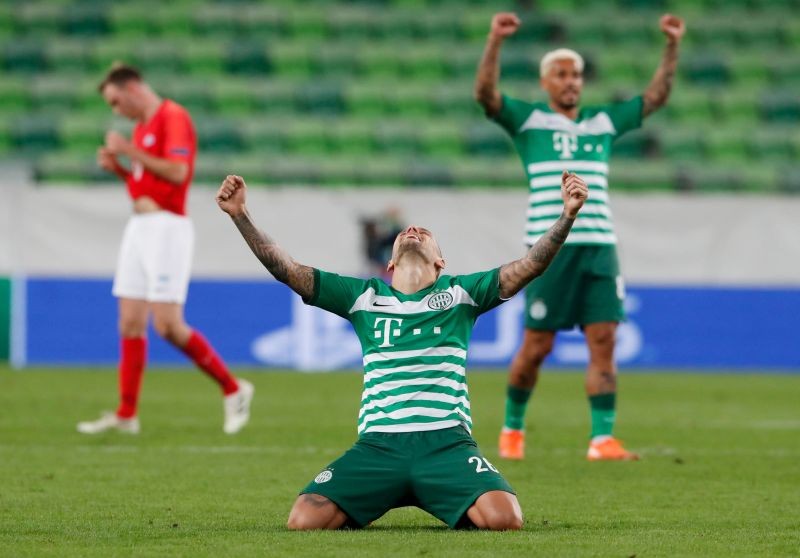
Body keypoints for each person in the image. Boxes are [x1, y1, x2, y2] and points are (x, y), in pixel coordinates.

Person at [215, 171, 588, 530]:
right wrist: (241, 216)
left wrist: (566, 215)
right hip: (378, 446)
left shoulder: (462, 294)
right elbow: (288, 270)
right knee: (304, 519)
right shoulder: (363, 298)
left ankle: (436, 494)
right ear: (390, 262)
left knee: (505, 518)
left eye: (425, 233)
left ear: (440, 263)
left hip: (446, 444)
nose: (413, 231)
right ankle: (380, 494)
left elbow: (530, 266)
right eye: (407, 232)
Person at [474, 13, 685, 461]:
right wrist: (495, 40)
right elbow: (485, 95)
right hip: (548, 248)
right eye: (562, 75)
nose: (572, 82)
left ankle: (602, 438)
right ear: (545, 81)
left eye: (577, 75)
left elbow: (656, 97)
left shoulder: (602, 122)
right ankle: (512, 429)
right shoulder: (528, 121)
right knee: (538, 345)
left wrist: (671, 45)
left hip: (600, 247)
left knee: (604, 339)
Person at [77, 63, 253, 435]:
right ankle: (127, 414)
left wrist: (128, 151)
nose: (116, 111)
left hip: (167, 229)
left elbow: (177, 173)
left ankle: (234, 388)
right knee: (129, 322)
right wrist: (122, 170)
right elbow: (145, 188)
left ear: (133, 89)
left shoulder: (173, 117)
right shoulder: (141, 129)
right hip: (139, 227)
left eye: (115, 101)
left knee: (168, 326)